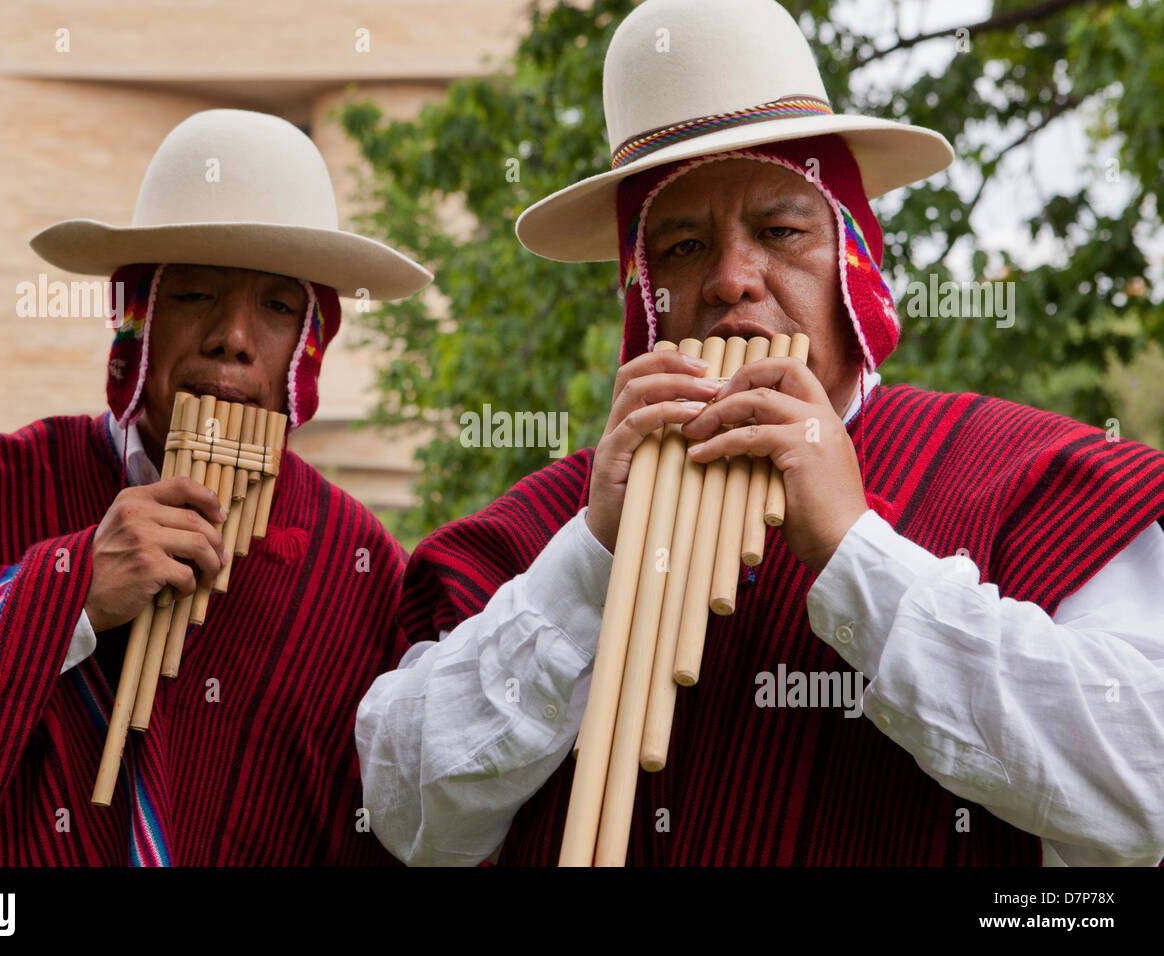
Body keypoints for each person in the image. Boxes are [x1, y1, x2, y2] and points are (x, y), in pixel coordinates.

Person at [356, 0, 1164, 866]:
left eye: (780, 232)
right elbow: (411, 822)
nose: (733, 279)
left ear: (852, 261)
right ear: (642, 297)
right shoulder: (543, 525)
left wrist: (858, 556)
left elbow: (1145, 786)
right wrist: (591, 561)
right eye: (681, 247)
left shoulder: (1032, 473)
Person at [0, 108, 431, 865]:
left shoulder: (360, 573)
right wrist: (63, 597)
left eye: (277, 305)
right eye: (196, 294)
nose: (234, 336)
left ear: (309, 346)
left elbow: (416, 815)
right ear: (136, 321)